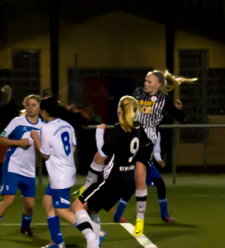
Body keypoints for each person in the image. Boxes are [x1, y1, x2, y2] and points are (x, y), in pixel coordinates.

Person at [81, 69, 195, 236]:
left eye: (149, 81)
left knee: (140, 178)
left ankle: (139, 219)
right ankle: (88, 187)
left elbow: (182, 118)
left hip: (146, 142)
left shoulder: (165, 100)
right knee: (102, 158)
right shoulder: (138, 93)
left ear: (159, 85)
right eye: (145, 81)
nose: (146, 83)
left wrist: (178, 109)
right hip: (131, 136)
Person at [71, 96, 152, 248]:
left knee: (77, 205)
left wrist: (99, 134)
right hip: (126, 180)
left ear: (120, 110)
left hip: (111, 180)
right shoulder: (138, 127)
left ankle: (92, 246)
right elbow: (146, 144)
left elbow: (103, 153)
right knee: (92, 209)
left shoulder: (119, 130)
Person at [0, 94, 43, 239]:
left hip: (29, 170)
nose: (30, 108)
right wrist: (18, 143)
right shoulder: (17, 121)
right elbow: (1, 139)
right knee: (8, 200)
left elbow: (43, 148)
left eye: (34, 105)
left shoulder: (43, 126)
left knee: (30, 205)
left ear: (39, 107)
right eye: (28, 105)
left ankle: (25, 228)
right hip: (13, 167)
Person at [29, 97, 77, 248]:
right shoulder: (67, 125)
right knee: (47, 204)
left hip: (59, 175)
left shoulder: (47, 128)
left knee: (62, 211)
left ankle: (93, 233)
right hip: (66, 170)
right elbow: (73, 148)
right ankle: (57, 241)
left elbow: (45, 154)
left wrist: (36, 138)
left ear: (43, 111)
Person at [111, 131, 174, 223]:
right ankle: (117, 216)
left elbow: (156, 150)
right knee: (130, 189)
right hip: (138, 163)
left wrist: (159, 159)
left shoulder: (157, 132)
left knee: (161, 185)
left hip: (149, 164)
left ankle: (164, 215)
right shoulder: (139, 130)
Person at [0, 85, 22, 184]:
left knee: (8, 158)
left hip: (7, 137)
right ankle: (1, 178)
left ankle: (6, 178)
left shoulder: (9, 107)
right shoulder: (7, 107)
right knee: (1, 159)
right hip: (2, 137)